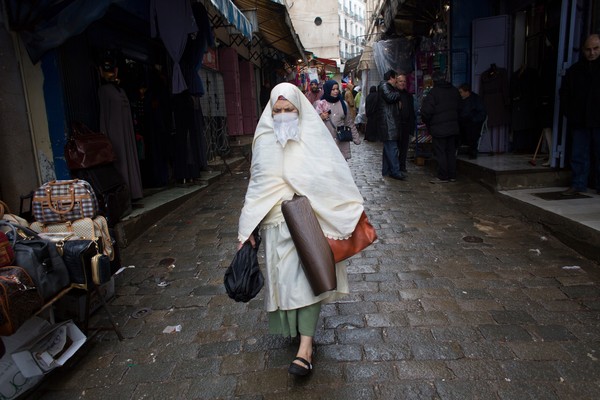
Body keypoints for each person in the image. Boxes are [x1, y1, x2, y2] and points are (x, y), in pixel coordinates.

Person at [237, 82, 364, 376]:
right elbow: (257, 185)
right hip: (273, 224)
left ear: (299, 110)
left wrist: (342, 209)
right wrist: (246, 230)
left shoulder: (314, 138)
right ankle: (297, 333)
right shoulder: (264, 140)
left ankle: (305, 349)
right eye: (278, 110)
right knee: (284, 284)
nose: (283, 115)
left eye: (289, 110)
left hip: (308, 222)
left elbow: (331, 174)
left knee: (307, 282)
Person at [98, 53, 144, 200]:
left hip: (120, 134)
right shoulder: (110, 91)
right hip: (118, 135)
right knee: (123, 161)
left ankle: (129, 194)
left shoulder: (113, 91)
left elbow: (105, 116)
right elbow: (105, 116)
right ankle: (128, 194)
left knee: (124, 161)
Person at [559, 33, 600, 196]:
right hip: (580, 120)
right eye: (588, 49)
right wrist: (570, 113)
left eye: (596, 48)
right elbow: (564, 94)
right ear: (583, 50)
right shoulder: (574, 71)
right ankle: (578, 184)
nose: (592, 53)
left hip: (599, 120)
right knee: (578, 154)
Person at [421, 71, 461, 183]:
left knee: (441, 152)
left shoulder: (433, 93)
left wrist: (427, 122)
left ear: (434, 81)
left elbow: (426, 111)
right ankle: (452, 175)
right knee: (451, 152)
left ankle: (443, 175)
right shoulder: (454, 91)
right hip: (453, 128)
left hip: (439, 129)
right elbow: (461, 108)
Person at [318, 79, 361, 160]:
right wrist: (321, 117)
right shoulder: (320, 104)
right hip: (326, 142)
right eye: (333, 89)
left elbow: (349, 122)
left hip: (341, 141)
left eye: (337, 89)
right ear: (327, 90)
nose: (336, 91)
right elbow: (312, 122)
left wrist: (356, 138)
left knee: (341, 168)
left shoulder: (343, 104)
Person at [377, 69, 405, 180]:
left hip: (390, 123)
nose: (397, 82)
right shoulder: (385, 87)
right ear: (391, 78)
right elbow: (390, 97)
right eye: (396, 79)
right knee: (392, 148)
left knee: (389, 148)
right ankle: (395, 171)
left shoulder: (386, 87)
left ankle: (387, 170)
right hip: (389, 124)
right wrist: (399, 93)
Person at [458, 83, 487, 159]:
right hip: (464, 121)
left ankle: (473, 152)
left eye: (461, 92)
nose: (460, 94)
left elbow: (482, 113)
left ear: (466, 92)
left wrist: (473, 119)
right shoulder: (461, 100)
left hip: (474, 122)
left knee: (471, 131)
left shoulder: (476, 99)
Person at [395, 73, 416, 174]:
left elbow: (411, 112)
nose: (402, 83)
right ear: (396, 82)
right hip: (396, 126)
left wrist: (412, 127)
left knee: (404, 147)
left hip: (406, 125)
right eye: (400, 81)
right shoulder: (394, 94)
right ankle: (395, 166)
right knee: (395, 147)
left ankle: (402, 166)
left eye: (404, 81)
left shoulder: (408, 96)